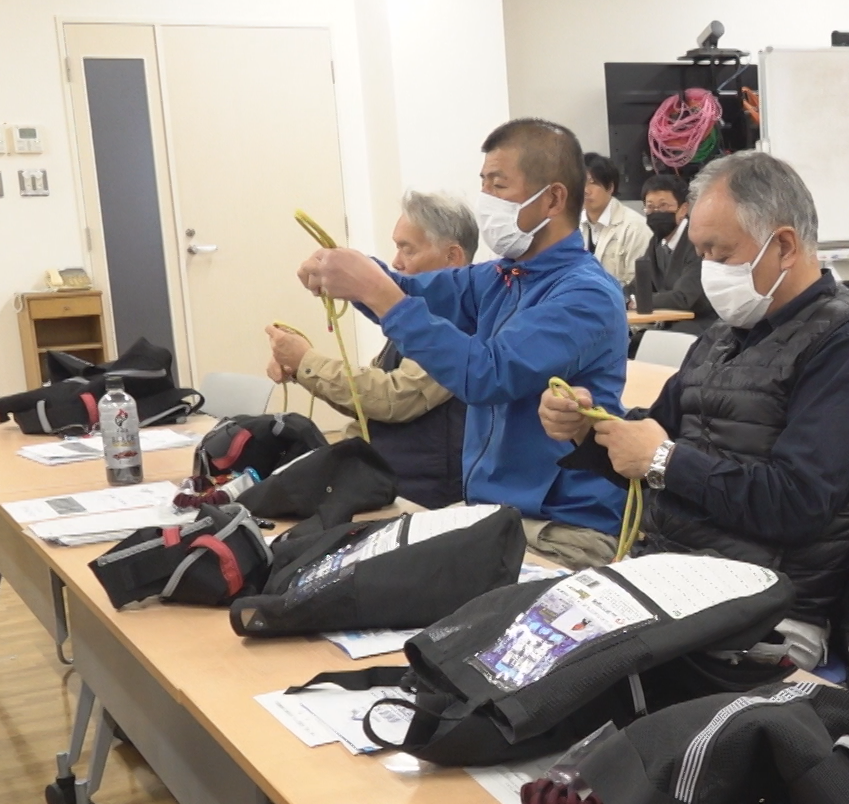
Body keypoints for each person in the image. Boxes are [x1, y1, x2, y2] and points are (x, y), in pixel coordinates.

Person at [541, 152, 849, 672]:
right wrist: (590, 429)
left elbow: (800, 503)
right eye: (701, 252)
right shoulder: (723, 336)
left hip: (765, 608)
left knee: (566, 677)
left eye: (720, 252)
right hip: (677, 579)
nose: (708, 269)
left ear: (784, 246)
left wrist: (664, 460)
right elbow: (652, 441)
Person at [296, 118, 628, 570]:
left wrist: (376, 291)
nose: (486, 199)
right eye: (483, 184)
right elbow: (410, 292)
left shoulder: (585, 293)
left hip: (562, 526)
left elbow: (488, 374)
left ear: (552, 198)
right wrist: (351, 274)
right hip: (494, 513)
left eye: (499, 185)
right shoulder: (503, 276)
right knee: (350, 567)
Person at [265, 190, 475, 509]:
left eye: (407, 249)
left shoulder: (459, 322)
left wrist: (306, 361)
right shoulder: (421, 314)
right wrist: (299, 368)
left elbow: (394, 398)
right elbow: (367, 400)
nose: (396, 262)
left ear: (452, 257)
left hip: (424, 497)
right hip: (389, 481)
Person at [629, 174, 713, 333]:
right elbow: (638, 285)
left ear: (683, 209)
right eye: (650, 207)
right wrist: (620, 297)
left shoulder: (696, 241)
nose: (656, 212)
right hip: (667, 323)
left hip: (700, 326)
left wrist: (639, 302)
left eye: (663, 206)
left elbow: (684, 298)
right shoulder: (656, 241)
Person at [582, 152, 652, 287]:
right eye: (580, 183)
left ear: (610, 187)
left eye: (593, 183)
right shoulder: (570, 225)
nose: (585, 190)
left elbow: (638, 283)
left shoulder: (635, 227)